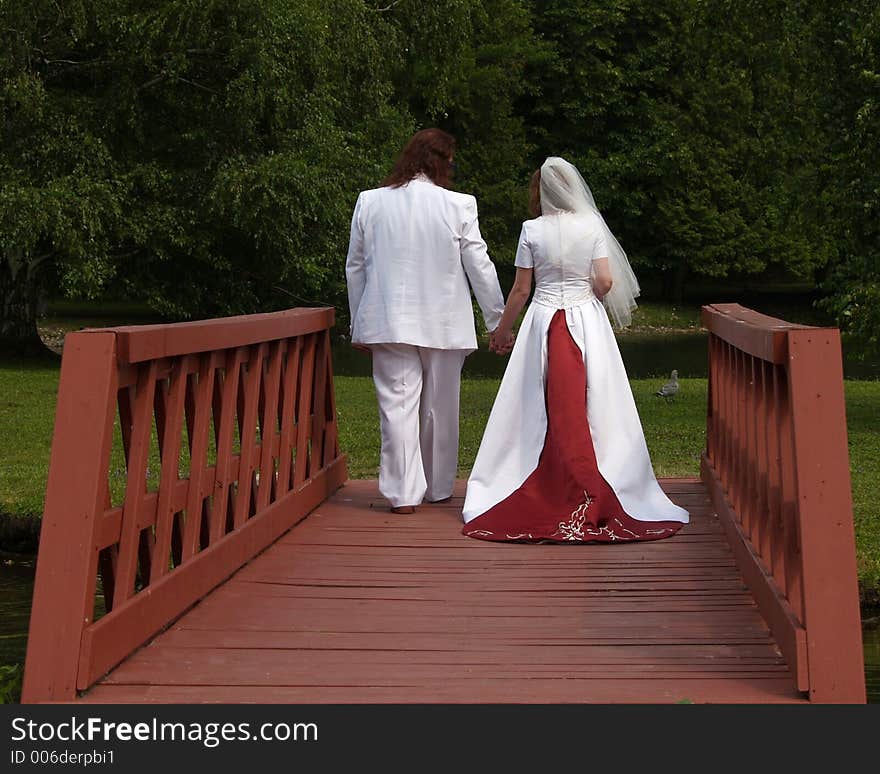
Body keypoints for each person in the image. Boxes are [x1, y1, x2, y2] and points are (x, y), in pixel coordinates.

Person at [461, 156, 689, 541]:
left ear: (542, 191)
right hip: (585, 320)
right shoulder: (592, 225)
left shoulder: (531, 229)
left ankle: (538, 474)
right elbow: (604, 280)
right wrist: (588, 293)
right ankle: (604, 471)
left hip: (543, 321)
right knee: (595, 399)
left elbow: (521, 290)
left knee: (537, 402)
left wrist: (502, 331)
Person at [346, 128, 505, 514]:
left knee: (396, 407)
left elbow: (356, 266)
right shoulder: (459, 205)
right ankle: (436, 487)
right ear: (442, 163)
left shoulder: (370, 202)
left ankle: (402, 495)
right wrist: (497, 320)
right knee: (440, 407)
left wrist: (358, 321)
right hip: (444, 322)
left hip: (387, 319)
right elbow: (479, 266)